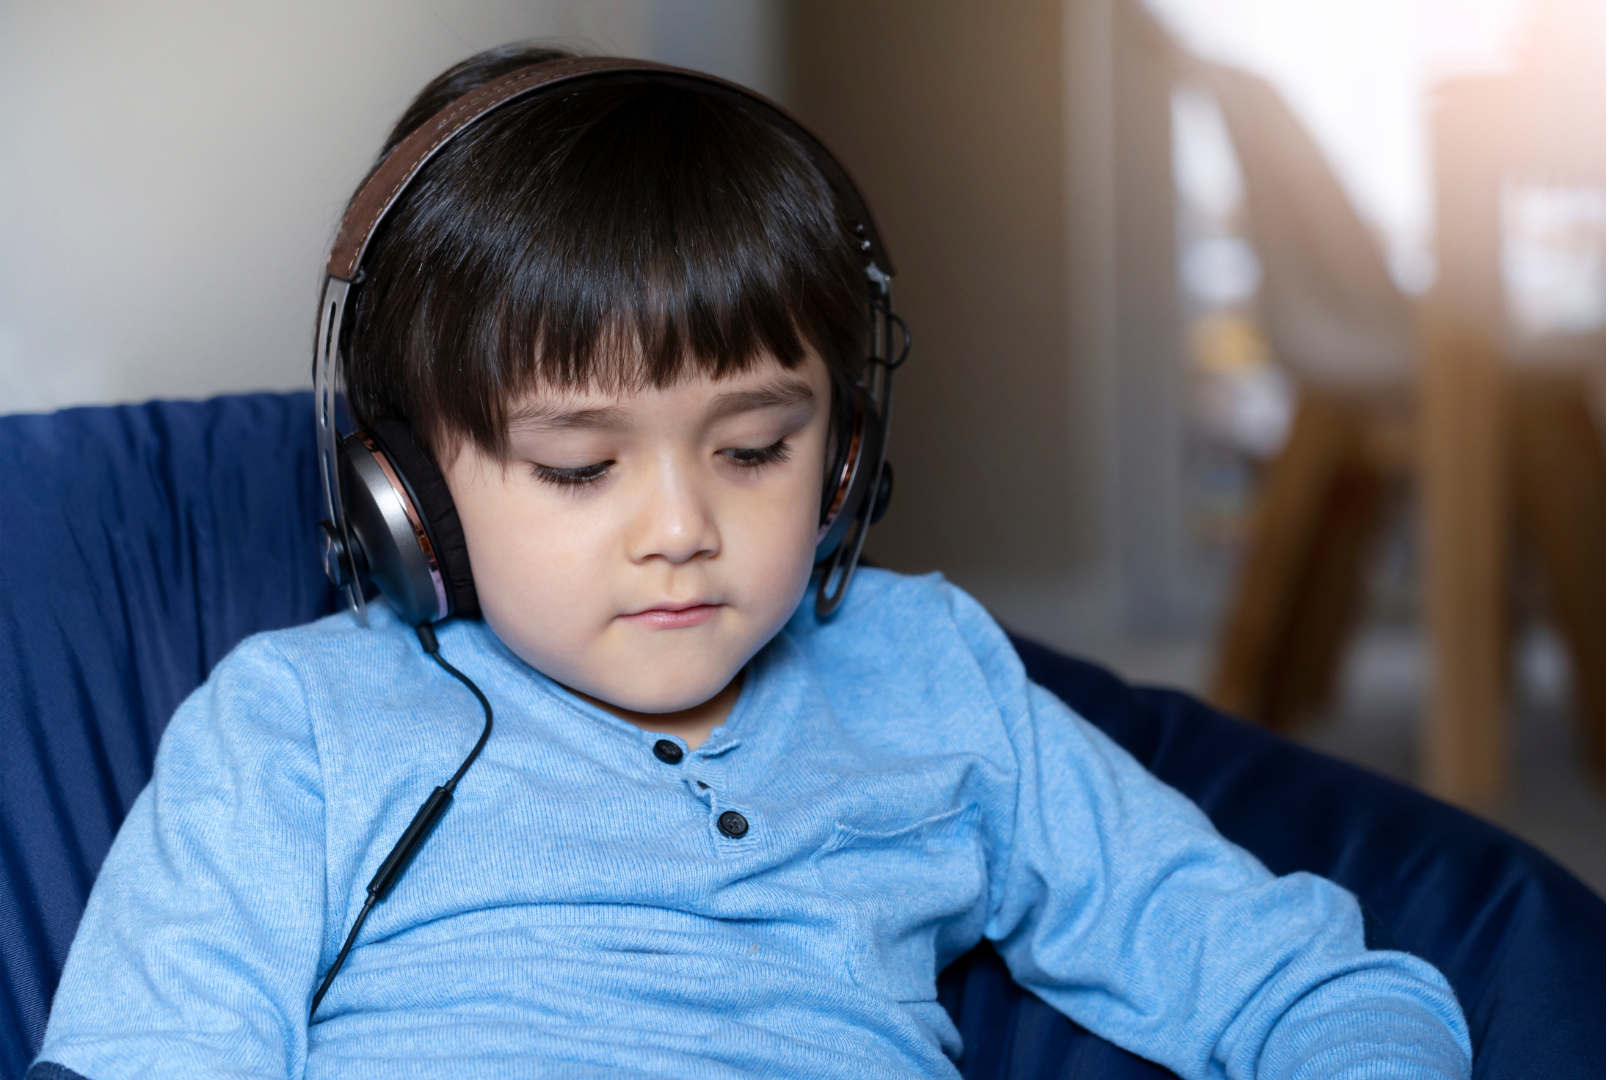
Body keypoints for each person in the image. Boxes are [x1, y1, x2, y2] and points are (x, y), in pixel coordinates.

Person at [32, 44, 1471, 1080]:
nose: (679, 529)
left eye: (754, 449)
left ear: (846, 459)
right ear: (407, 490)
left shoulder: (929, 677)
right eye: (580, 468)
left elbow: (1297, 980)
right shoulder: (297, 726)